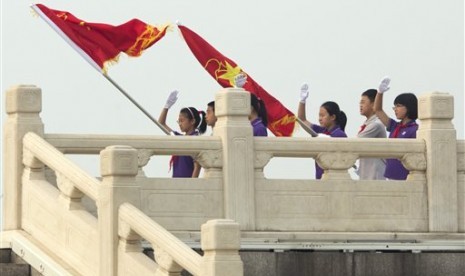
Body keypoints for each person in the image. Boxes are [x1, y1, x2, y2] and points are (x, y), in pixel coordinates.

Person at [298, 83, 348, 179]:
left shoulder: (340, 134)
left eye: (323, 115)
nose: (320, 118)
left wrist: (325, 138)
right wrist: (302, 101)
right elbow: (302, 120)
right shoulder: (321, 131)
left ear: (333, 117)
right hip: (320, 177)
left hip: (334, 179)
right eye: (319, 115)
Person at [374, 76, 418, 180]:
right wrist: (380, 92)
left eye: (398, 106)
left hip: (405, 177)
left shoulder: (415, 130)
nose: (395, 109)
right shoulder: (395, 126)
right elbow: (377, 110)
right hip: (391, 175)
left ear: (409, 107)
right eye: (394, 106)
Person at [158, 90, 207, 178]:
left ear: (192, 121)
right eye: (178, 121)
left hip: (186, 185)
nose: (179, 124)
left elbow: (197, 166)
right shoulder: (178, 137)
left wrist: (191, 185)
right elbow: (161, 123)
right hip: (176, 183)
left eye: (182, 121)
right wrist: (166, 107)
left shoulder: (195, 139)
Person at [357, 89, 387, 180]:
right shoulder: (368, 123)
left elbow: (357, 141)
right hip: (367, 171)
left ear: (373, 104)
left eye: (363, 102)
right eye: (360, 103)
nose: (360, 105)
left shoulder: (376, 124)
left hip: (374, 173)